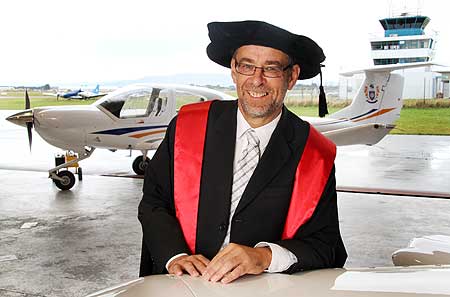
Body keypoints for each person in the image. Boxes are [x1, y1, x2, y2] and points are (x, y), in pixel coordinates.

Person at [138, 20, 347, 284]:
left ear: (291, 76)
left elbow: (326, 243)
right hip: (181, 284)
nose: (257, 80)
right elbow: (154, 202)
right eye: (247, 66)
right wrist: (175, 256)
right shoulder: (188, 126)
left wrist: (264, 256)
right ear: (234, 71)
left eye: (271, 68)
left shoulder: (314, 152)